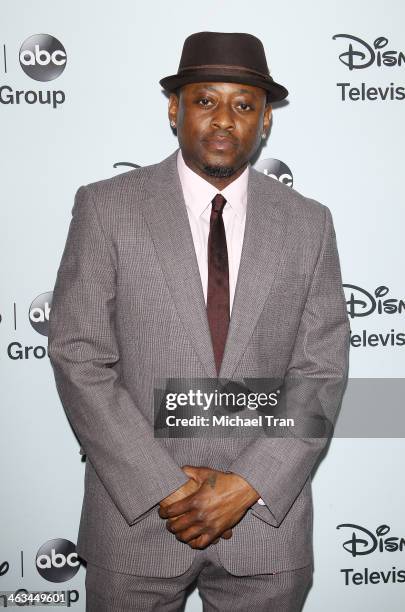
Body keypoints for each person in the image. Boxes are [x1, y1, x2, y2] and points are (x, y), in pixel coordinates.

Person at [48, 31, 350, 612]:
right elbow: (78, 355)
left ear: (264, 123)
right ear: (174, 109)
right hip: (134, 521)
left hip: (265, 523)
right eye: (205, 100)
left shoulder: (308, 223)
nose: (223, 120)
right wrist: (166, 487)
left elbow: (321, 373)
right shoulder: (107, 206)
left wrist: (246, 484)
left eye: (243, 105)